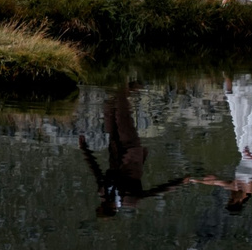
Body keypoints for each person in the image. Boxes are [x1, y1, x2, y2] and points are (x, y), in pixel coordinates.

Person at [78, 84, 184, 217]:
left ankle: (128, 89)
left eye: (101, 204)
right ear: (111, 209)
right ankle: (123, 83)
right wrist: (179, 182)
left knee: (109, 107)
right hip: (131, 151)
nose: (102, 202)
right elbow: (156, 191)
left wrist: (84, 149)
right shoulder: (131, 199)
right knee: (122, 114)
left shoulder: (103, 191)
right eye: (103, 205)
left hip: (115, 148)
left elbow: (95, 169)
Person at [188, 74, 252, 214]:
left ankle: (230, 80)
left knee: (237, 116)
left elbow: (215, 181)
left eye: (230, 199)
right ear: (240, 201)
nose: (231, 197)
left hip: (243, 149)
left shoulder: (234, 186)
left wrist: (195, 180)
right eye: (232, 200)